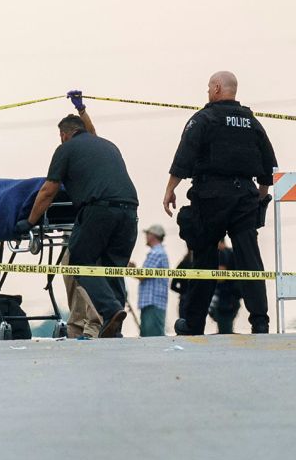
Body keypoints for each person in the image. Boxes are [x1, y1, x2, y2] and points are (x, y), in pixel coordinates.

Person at [164, 71, 276, 336]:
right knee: (250, 260)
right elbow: (269, 166)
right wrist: (258, 195)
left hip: (211, 196)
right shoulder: (251, 122)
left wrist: (170, 189)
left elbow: (184, 156)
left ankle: (193, 324)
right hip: (245, 196)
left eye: (208, 88)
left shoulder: (205, 118)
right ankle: (260, 322)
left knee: (204, 259)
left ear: (216, 88)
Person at [20, 92, 137, 338]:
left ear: (64, 135)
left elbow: (48, 190)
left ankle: (110, 310)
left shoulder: (66, 149)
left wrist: (29, 222)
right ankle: (113, 326)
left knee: (79, 261)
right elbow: (90, 133)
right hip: (130, 210)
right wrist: (82, 109)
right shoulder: (106, 145)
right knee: (112, 267)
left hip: (99, 209)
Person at [137, 223, 170, 337]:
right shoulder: (159, 253)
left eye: (147, 234)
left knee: (152, 339)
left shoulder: (156, 253)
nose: (146, 237)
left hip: (152, 302)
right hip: (153, 302)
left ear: (153, 236)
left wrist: (130, 270)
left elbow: (143, 275)